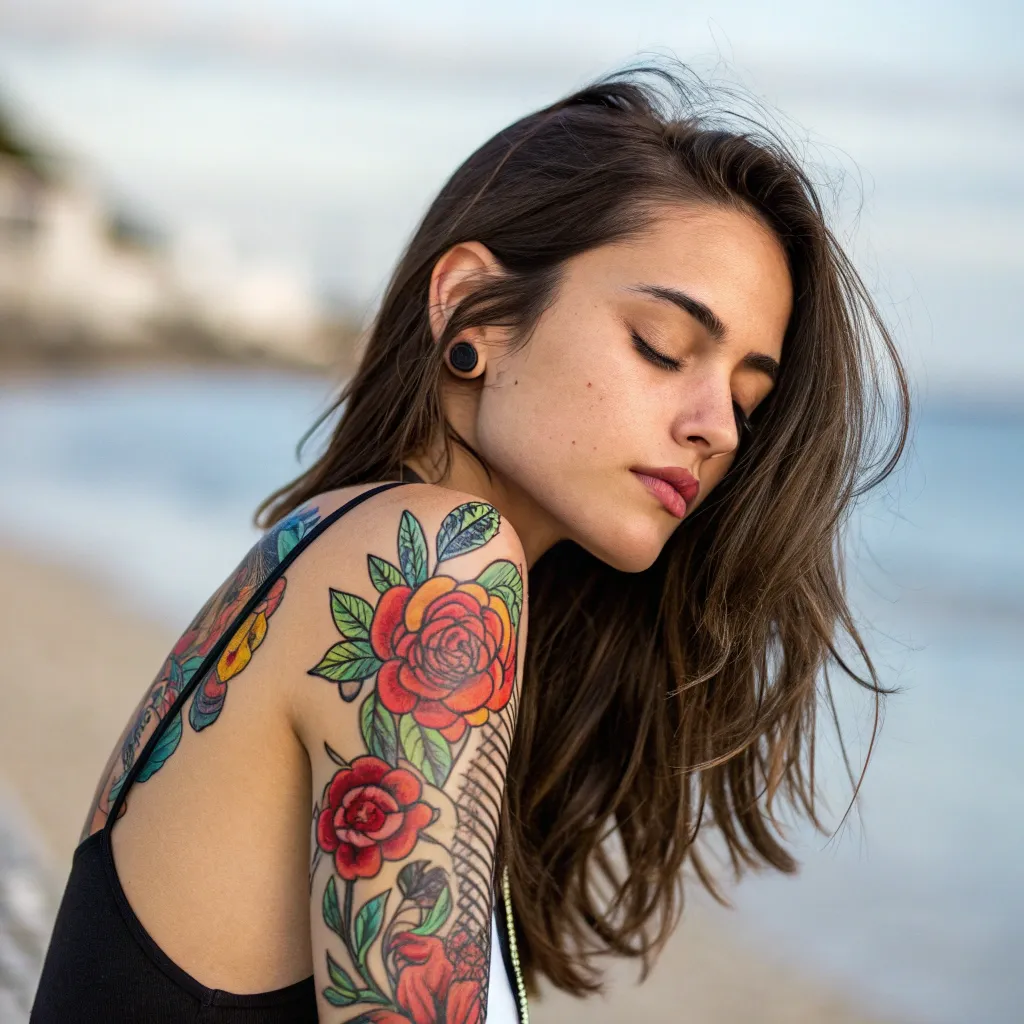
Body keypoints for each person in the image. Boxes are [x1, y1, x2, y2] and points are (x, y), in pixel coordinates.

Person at [31, 61, 910, 1023]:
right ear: (473, 310)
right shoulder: (440, 556)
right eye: (661, 346)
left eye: (748, 396)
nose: (720, 428)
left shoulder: (328, 544)